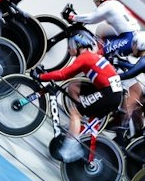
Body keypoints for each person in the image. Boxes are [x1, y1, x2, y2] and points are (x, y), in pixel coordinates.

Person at [35, 29, 122, 162]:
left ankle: (70, 149)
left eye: (70, 46)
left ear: (78, 45)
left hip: (108, 93)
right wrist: (47, 74)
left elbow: (63, 75)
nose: (69, 49)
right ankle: (75, 135)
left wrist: (41, 76)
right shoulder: (92, 56)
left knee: (75, 113)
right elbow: (68, 76)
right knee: (77, 96)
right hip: (113, 94)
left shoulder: (85, 57)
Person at [64, 0, 140, 59]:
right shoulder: (115, 4)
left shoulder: (108, 5)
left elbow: (91, 18)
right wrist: (78, 18)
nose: (95, 1)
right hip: (131, 36)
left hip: (128, 39)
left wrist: (72, 17)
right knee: (100, 29)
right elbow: (94, 19)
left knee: (97, 56)